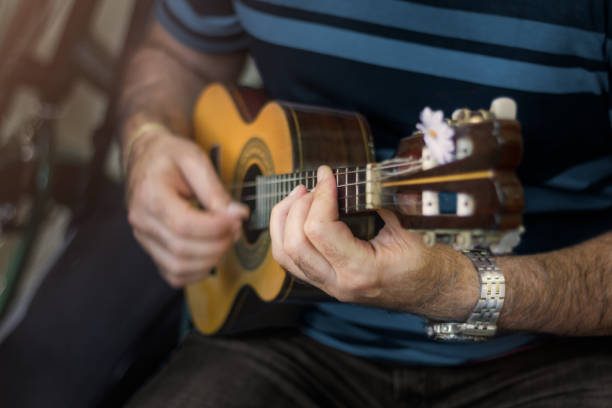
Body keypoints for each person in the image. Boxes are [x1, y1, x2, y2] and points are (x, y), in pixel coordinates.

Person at [119, 0, 612, 406]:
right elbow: (180, 54)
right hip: (287, 332)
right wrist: (145, 139)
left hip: (550, 347)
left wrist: (458, 289)